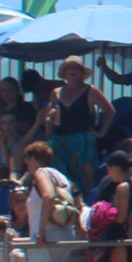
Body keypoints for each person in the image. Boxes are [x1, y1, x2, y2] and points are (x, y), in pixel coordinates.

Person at [41, 59, 113, 191]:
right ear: (65, 71)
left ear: (81, 72)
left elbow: (109, 111)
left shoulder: (90, 90)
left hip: (82, 143)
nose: (74, 70)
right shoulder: (56, 92)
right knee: (62, 182)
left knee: (87, 183)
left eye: (77, 68)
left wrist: (101, 132)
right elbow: (49, 120)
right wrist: (49, 139)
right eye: (70, 67)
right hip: (59, 142)